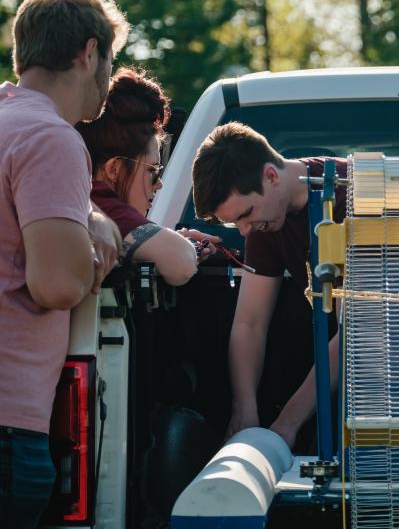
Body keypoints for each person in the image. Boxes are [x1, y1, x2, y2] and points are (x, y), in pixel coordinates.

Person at [0, 0, 127, 528]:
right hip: (9, 426)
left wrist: (91, 215)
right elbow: (59, 284)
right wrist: (97, 238)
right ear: (90, 52)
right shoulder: (50, 137)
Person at [191, 122, 345, 449]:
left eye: (247, 214)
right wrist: (244, 408)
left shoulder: (353, 199)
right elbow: (250, 322)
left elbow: (356, 331)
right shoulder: (266, 221)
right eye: (237, 223)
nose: (246, 232)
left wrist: (287, 425)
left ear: (271, 176)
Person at [76, 67, 218, 285]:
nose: (159, 184)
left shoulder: (84, 197)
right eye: (152, 170)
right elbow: (180, 263)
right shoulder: (100, 200)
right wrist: (183, 247)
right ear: (114, 169)